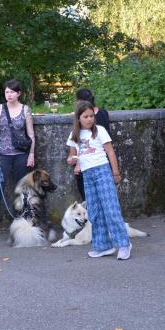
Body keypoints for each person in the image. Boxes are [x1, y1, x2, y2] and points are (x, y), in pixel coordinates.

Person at [66, 101, 132, 259]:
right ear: (78, 118)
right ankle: (103, 246)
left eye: (91, 116)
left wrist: (115, 173)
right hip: (87, 175)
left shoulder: (100, 131)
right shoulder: (74, 134)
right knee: (95, 212)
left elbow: (110, 151)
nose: (89, 119)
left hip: (102, 171)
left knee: (111, 209)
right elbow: (74, 155)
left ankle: (124, 244)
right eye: (86, 116)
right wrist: (72, 160)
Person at [0, 79, 35, 237]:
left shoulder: (25, 109)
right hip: (3, 155)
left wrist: (32, 154)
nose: (9, 94)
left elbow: (31, 134)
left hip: (21, 154)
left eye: (12, 92)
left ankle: (22, 222)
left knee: (22, 189)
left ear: (19, 93)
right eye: (7, 92)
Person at [74, 88, 110, 201]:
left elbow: (80, 144)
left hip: (88, 161)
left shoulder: (80, 120)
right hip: (103, 159)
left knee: (88, 197)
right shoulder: (103, 112)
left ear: (79, 101)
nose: (89, 119)